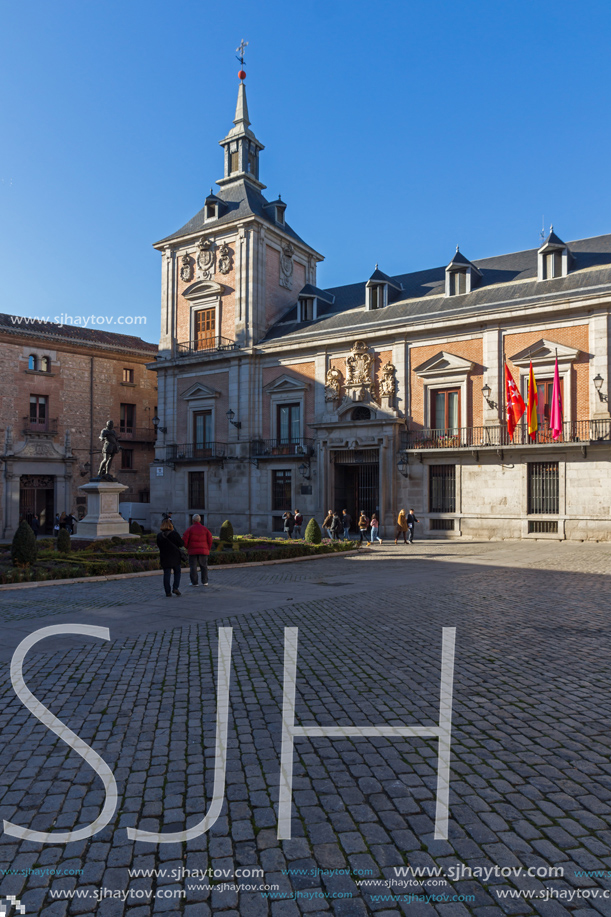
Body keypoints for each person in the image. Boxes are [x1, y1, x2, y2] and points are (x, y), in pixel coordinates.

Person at [182, 513, 213, 586]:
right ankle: (205, 581)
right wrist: (207, 548)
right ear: (200, 520)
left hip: (193, 551)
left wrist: (187, 547)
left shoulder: (190, 529)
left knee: (193, 567)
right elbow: (210, 539)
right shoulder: (205, 529)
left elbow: (184, 540)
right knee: (204, 566)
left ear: (193, 520)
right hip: (203, 551)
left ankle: (194, 582)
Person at [156, 519, 185, 597]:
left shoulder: (159, 535)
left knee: (167, 574)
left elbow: (159, 546)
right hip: (175, 556)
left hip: (164, 557)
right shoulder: (174, 534)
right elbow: (182, 544)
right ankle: (175, 588)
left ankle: (167, 592)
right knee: (177, 572)